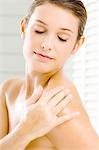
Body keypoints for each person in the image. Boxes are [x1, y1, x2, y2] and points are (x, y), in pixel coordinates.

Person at [0, 0, 98, 149]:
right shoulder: (8, 91)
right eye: (39, 30)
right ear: (23, 28)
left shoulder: (60, 108)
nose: (46, 45)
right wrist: (25, 130)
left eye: (62, 38)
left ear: (77, 45)